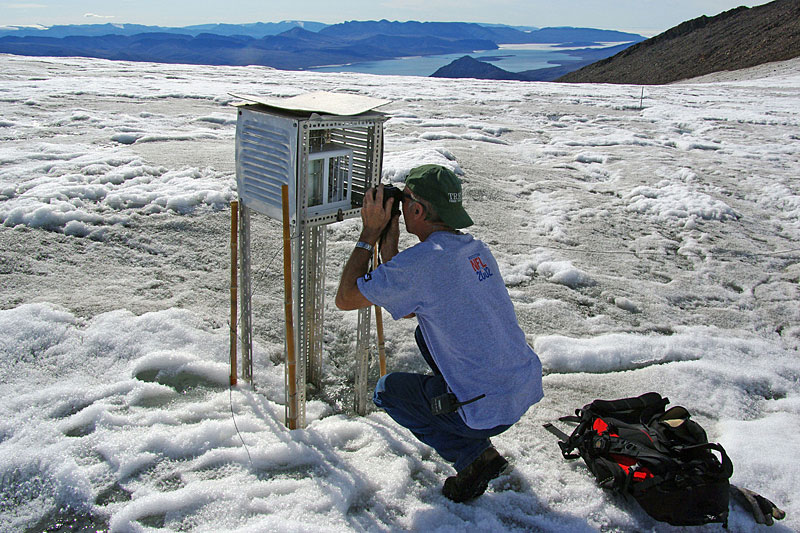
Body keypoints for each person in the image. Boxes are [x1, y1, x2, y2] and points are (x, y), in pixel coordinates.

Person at [335, 164, 543, 502]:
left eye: (402, 201)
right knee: (424, 333)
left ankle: (472, 457)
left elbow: (345, 299)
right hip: (520, 392)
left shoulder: (423, 264)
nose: (399, 209)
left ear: (417, 209)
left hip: (487, 413)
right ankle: (473, 436)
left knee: (389, 391)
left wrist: (369, 234)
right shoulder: (475, 250)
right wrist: (391, 250)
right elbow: (423, 299)